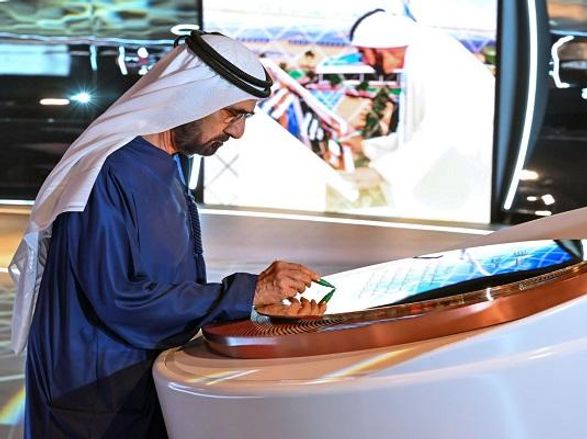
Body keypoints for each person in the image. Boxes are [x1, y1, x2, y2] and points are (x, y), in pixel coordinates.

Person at [10, 32, 324, 438]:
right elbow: (119, 299)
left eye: (245, 117)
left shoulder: (167, 162)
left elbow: (167, 285)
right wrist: (248, 292)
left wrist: (256, 311)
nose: (237, 132)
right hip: (92, 399)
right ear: (192, 97)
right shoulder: (107, 174)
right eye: (233, 114)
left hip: (137, 384)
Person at [341, 9, 496, 223]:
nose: (364, 61)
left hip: (459, 193)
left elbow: (441, 130)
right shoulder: (422, 55)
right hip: (448, 188)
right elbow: (414, 132)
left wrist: (381, 173)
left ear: (380, 47)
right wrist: (366, 147)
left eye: (362, 52)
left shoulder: (435, 59)